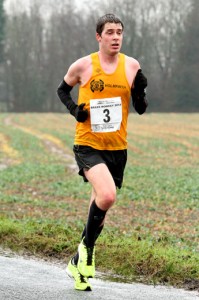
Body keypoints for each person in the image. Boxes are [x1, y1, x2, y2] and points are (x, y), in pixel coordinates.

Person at [57, 13, 148, 291]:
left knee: (100, 205)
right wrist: (76, 110)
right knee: (108, 195)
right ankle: (87, 251)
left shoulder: (131, 66)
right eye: (110, 32)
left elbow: (141, 108)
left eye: (119, 32)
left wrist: (140, 93)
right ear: (99, 37)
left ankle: (78, 262)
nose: (116, 37)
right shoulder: (84, 65)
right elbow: (62, 90)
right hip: (88, 143)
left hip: (117, 149)